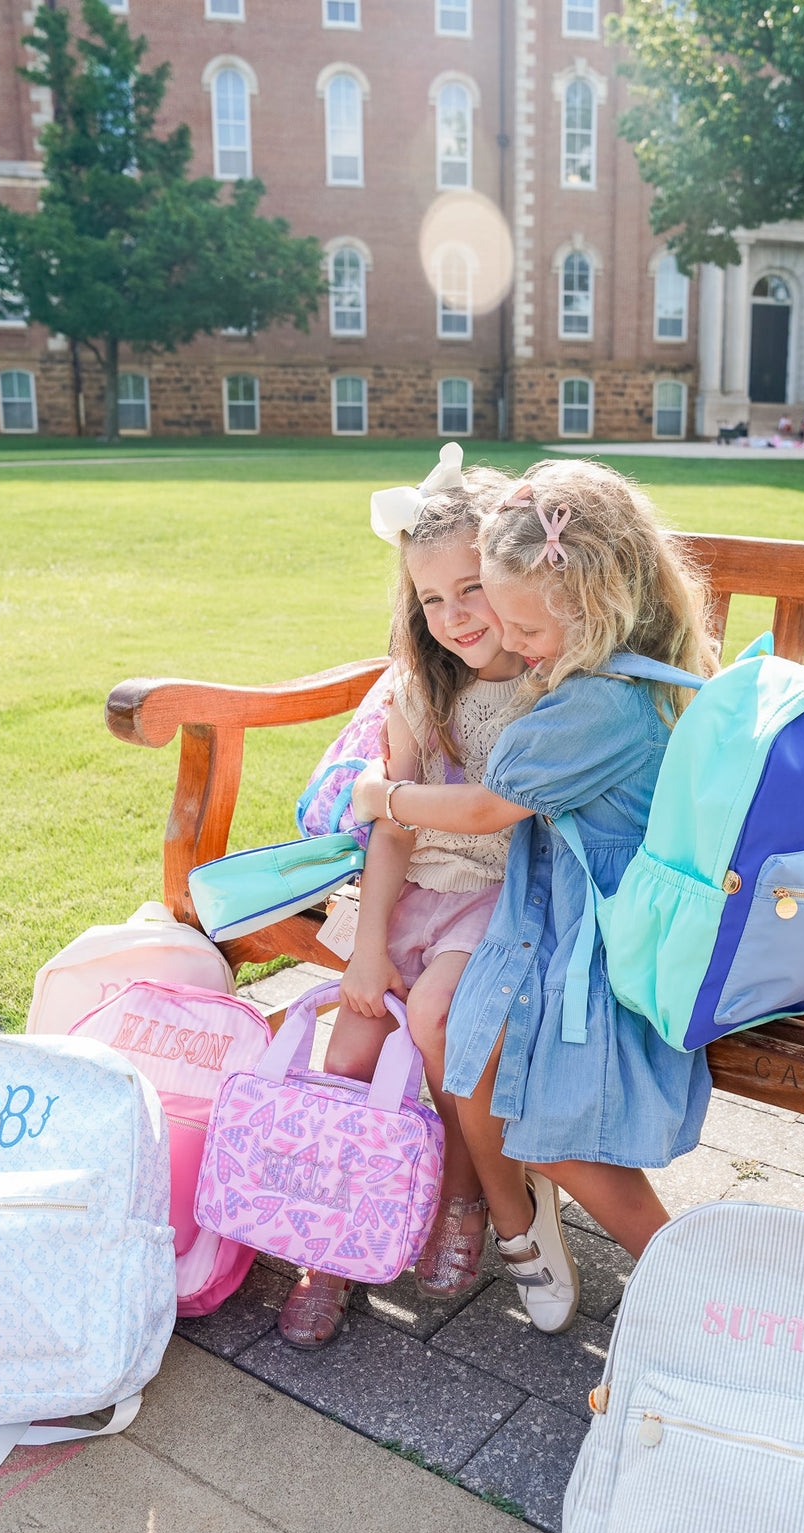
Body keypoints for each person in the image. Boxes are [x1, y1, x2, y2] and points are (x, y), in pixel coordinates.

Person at [353, 459, 717, 1336]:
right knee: (496, 1073)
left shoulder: (595, 705)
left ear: (584, 605)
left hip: (594, 941)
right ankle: (677, 1276)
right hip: (571, 916)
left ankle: (695, 1282)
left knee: (530, 1112)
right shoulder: (622, 671)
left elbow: (487, 805)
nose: (514, 646)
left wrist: (384, 799)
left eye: (523, 625)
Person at [276, 445, 526, 1348]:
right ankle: (328, 1248)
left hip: (499, 903)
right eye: (433, 598)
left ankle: (461, 1199)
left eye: (474, 588)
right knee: (348, 1050)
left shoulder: (547, 693)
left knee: (439, 1020)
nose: (456, 616)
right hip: (411, 894)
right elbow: (389, 829)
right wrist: (367, 943)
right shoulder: (419, 694)